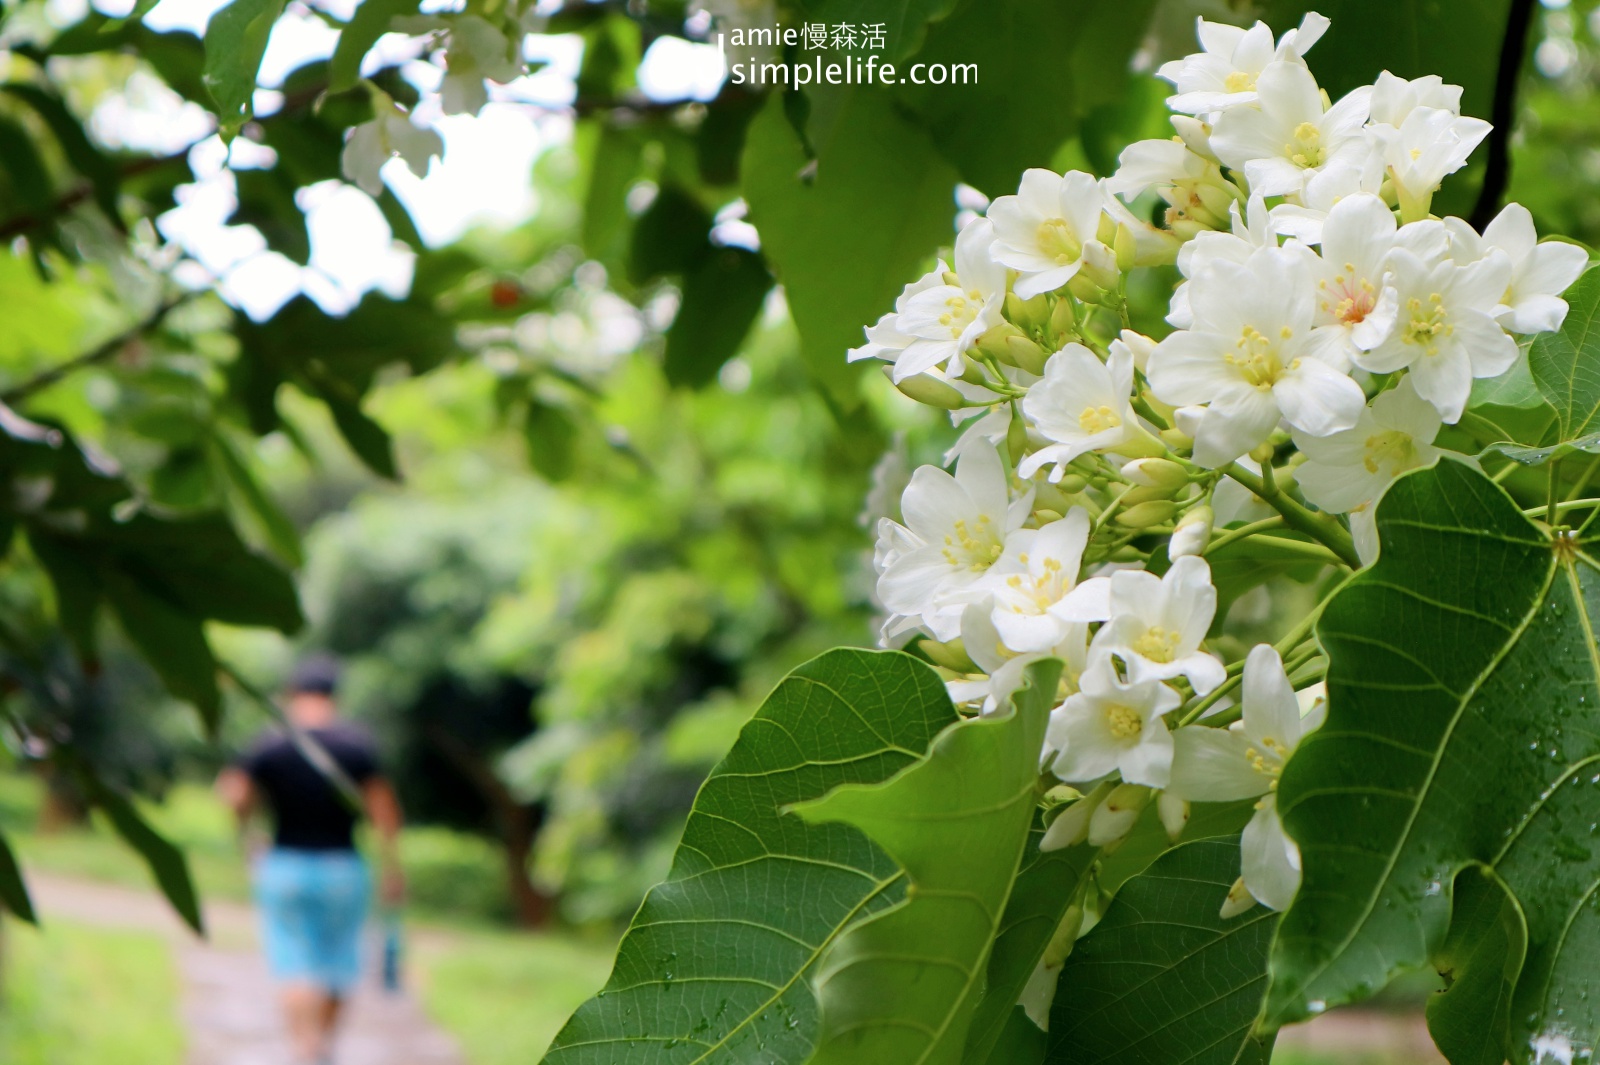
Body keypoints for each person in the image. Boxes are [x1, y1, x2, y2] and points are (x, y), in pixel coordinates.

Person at [216, 655, 404, 1065]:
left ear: (292, 693)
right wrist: (392, 868)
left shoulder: (270, 743)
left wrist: (247, 833)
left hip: (285, 867)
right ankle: (323, 1047)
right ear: (334, 695)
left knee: (293, 961)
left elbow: (233, 793)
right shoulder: (357, 745)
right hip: (343, 869)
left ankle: (304, 1046)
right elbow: (384, 813)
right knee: (339, 962)